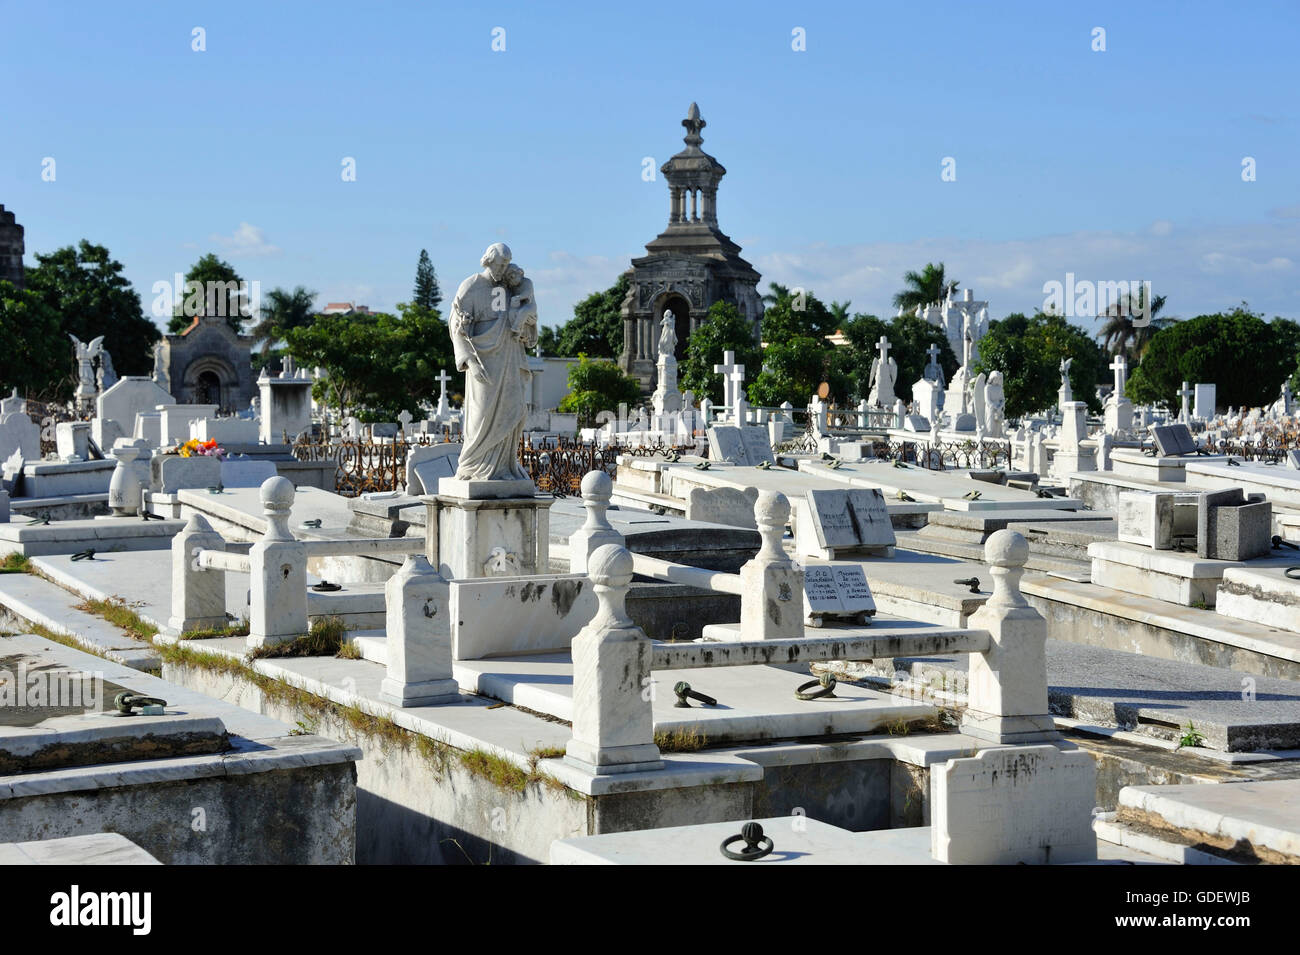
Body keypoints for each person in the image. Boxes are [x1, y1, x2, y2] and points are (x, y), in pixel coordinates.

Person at [448, 243, 536, 483]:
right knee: (481, 415)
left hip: (510, 356)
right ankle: (473, 467)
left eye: (506, 264)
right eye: (499, 264)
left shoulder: (510, 285)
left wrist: (525, 321)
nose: (503, 269)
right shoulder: (471, 286)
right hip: (483, 360)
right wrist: (469, 360)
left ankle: (504, 468)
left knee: (512, 410)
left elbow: (528, 318)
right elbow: (456, 328)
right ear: (487, 261)